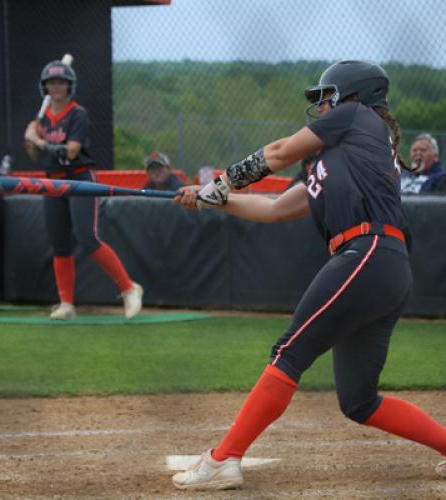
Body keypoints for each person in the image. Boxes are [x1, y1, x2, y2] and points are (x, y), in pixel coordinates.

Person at [173, 60, 446, 490]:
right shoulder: (343, 157)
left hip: (367, 252)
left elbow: (279, 151)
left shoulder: (358, 117)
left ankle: (224, 459)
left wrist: (225, 181)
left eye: (328, 97)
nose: (322, 107)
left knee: (289, 353)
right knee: (359, 400)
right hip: (383, 266)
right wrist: (213, 201)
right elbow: (275, 209)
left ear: (352, 97)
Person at [23, 59, 143, 320]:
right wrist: (30, 143)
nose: (56, 87)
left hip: (79, 178)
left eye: (61, 82)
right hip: (53, 180)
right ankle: (66, 304)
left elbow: (71, 150)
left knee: (87, 238)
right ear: (45, 87)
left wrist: (39, 141)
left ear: (69, 86)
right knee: (59, 243)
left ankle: (129, 287)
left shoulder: (78, 114)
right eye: (52, 83)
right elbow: (36, 158)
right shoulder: (42, 120)